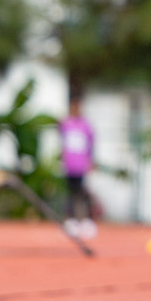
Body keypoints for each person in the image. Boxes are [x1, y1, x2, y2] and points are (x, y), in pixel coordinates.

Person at [58, 97, 97, 241]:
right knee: (70, 192)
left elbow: (91, 144)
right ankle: (72, 220)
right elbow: (62, 143)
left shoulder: (86, 126)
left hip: (81, 165)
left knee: (83, 192)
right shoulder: (65, 124)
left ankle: (87, 220)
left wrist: (91, 161)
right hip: (69, 165)